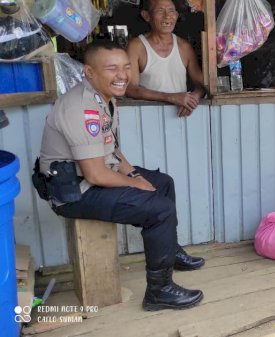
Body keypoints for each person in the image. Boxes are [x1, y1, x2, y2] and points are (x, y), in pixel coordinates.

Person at [37, 40, 205, 311]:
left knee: (163, 183)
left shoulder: (106, 99)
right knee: (159, 209)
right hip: (73, 193)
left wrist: (136, 174)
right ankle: (159, 291)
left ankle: (170, 251)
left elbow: (113, 150)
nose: (122, 75)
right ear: (89, 73)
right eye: (112, 68)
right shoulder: (81, 108)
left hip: (93, 178)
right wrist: (135, 184)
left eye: (126, 67)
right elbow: (95, 174)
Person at [126, 0, 206, 117]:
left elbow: (201, 84)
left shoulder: (184, 47)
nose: (167, 16)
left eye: (171, 11)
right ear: (146, 16)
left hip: (181, 116)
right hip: (147, 117)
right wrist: (170, 97)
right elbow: (130, 88)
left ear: (177, 15)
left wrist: (195, 96)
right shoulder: (136, 46)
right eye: (160, 10)